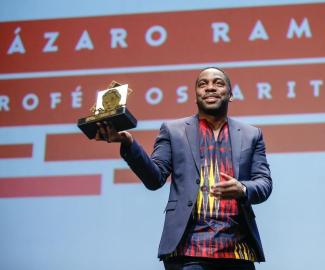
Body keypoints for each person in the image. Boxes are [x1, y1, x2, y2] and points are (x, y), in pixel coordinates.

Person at [95, 67, 273, 270]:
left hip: (237, 250)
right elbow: (155, 179)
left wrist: (242, 189)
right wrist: (129, 144)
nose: (210, 88)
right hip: (187, 251)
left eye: (218, 83)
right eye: (202, 84)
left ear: (230, 95)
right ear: (196, 95)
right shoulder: (173, 131)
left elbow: (264, 184)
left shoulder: (252, 134)